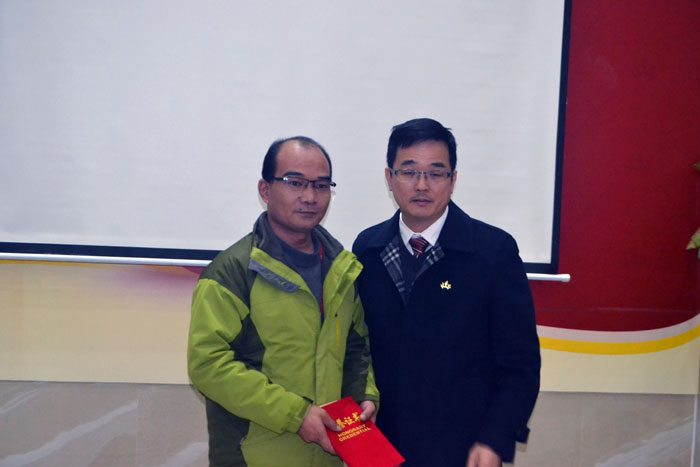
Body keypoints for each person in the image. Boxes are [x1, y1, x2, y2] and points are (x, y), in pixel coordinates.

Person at [352, 118, 541, 467]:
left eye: (436, 173)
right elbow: (358, 348)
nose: (422, 185)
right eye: (409, 172)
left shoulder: (492, 252)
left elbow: (520, 364)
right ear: (389, 178)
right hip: (382, 446)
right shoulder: (368, 250)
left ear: (453, 180)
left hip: (463, 449)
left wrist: (495, 438)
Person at [188, 136, 379, 467]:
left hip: (329, 456)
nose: (310, 197)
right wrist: (296, 415)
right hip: (253, 457)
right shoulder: (232, 272)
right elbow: (207, 364)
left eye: (321, 185)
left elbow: (355, 346)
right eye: (295, 182)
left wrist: (365, 396)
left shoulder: (342, 269)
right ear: (265, 190)